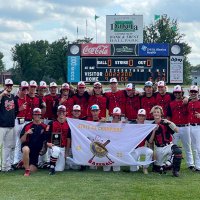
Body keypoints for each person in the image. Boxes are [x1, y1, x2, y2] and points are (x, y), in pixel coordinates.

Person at [148, 106, 182, 177]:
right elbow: (150, 141)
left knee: (178, 152)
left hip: (169, 145)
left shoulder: (165, 122)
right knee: (157, 169)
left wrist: (170, 122)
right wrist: (154, 131)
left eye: (158, 112)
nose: (156, 113)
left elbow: (177, 130)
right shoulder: (151, 125)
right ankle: (166, 164)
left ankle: (175, 171)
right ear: (152, 114)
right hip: (159, 148)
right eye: (155, 112)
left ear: (161, 114)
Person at [167, 85, 194, 170]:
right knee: (172, 146)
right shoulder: (171, 103)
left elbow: (194, 97)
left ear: (182, 92)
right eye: (176, 92)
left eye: (179, 92)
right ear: (174, 93)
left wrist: (187, 98)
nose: (177, 94)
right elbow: (169, 116)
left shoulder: (188, 101)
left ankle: (191, 164)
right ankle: (170, 163)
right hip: (174, 127)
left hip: (186, 126)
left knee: (187, 146)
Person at [20, 108, 47, 176]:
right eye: (35, 114)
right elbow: (22, 140)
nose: (37, 116)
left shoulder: (44, 127)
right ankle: (27, 170)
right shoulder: (27, 126)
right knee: (26, 149)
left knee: (33, 170)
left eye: (38, 114)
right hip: (27, 146)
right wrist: (26, 133)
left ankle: (24, 162)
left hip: (36, 151)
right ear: (32, 115)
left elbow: (47, 140)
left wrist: (45, 148)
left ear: (41, 115)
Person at [46, 105, 71, 175]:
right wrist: (47, 143)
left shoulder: (68, 124)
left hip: (63, 147)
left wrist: (67, 152)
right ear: (57, 113)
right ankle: (51, 166)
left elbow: (68, 138)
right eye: (60, 112)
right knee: (56, 150)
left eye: (63, 112)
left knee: (60, 169)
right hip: (53, 146)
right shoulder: (51, 123)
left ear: (66, 113)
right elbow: (46, 135)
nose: (61, 113)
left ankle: (51, 163)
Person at [130, 109, 153, 174]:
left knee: (150, 152)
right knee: (133, 170)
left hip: (141, 147)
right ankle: (137, 164)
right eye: (140, 115)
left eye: (143, 116)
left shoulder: (146, 127)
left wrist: (153, 131)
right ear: (137, 116)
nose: (141, 117)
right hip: (133, 148)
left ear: (145, 117)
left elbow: (150, 141)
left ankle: (145, 167)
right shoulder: (132, 124)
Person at [0, 79, 16, 172]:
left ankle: (5, 166)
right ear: (4, 85)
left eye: (10, 85)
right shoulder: (1, 94)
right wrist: (2, 94)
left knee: (8, 147)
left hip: (10, 125)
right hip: (1, 125)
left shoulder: (12, 96)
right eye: (7, 85)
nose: (9, 87)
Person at [13, 81, 29, 167]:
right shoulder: (15, 98)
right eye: (24, 89)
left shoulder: (27, 97)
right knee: (17, 141)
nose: (25, 90)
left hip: (26, 121)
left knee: (25, 140)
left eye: (27, 88)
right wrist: (19, 109)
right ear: (20, 89)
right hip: (17, 120)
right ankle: (16, 160)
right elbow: (12, 112)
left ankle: (23, 160)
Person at [103, 107, 123, 172]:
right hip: (108, 146)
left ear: (120, 115)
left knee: (116, 169)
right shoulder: (107, 124)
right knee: (106, 169)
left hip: (117, 147)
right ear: (112, 115)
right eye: (115, 115)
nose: (116, 116)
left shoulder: (123, 124)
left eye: (118, 115)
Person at [187, 85, 200, 172]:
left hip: (198, 126)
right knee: (194, 147)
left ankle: (199, 166)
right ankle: (197, 165)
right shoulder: (189, 102)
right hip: (190, 126)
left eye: (195, 92)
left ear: (198, 92)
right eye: (192, 91)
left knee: (199, 147)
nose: (193, 93)